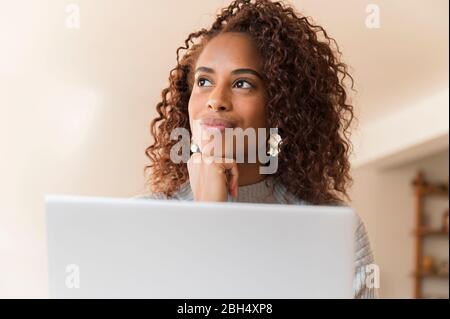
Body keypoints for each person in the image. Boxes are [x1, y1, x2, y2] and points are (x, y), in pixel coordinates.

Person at [136, 0, 378, 298]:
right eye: (203, 81)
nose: (216, 99)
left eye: (242, 83)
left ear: (280, 105)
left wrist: (214, 218)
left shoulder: (336, 231)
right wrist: (207, 215)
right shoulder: (141, 220)